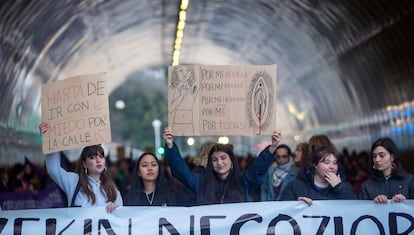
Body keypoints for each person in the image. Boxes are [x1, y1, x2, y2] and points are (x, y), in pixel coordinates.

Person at [162, 127, 282, 205]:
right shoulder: (200, 182)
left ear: (231, 160)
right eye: (214, 160)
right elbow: (181, 171)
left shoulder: (243, 181)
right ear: (210, 163)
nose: (219, 163)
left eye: (223, 158)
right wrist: (170, 146)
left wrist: (272, 148)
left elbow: (258, 168)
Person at [39, 123, 122, 212]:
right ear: (84, 164)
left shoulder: (113, 191)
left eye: (101, 156)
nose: (98, 160)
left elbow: (121, 219)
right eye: (92, 157)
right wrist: (49, 139)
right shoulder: (73, 181)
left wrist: (117, 210)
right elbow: (54, 170)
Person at [280, 146, 357, 206]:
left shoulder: (344, 186)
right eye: (326, 162)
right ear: (315, 165)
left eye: (335, 163)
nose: (332, 167)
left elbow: (356, 208)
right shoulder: (295, 186)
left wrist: (340, 188)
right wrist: (297, 205)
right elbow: (283, 211)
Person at [359, 137, 414, 203]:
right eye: (374, 156)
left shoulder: (409, 181)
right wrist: (373, 204)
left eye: (381, 155)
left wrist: (407, 202)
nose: (377, 159)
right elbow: (362, 210)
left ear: (392, 157)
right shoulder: (367, 186)